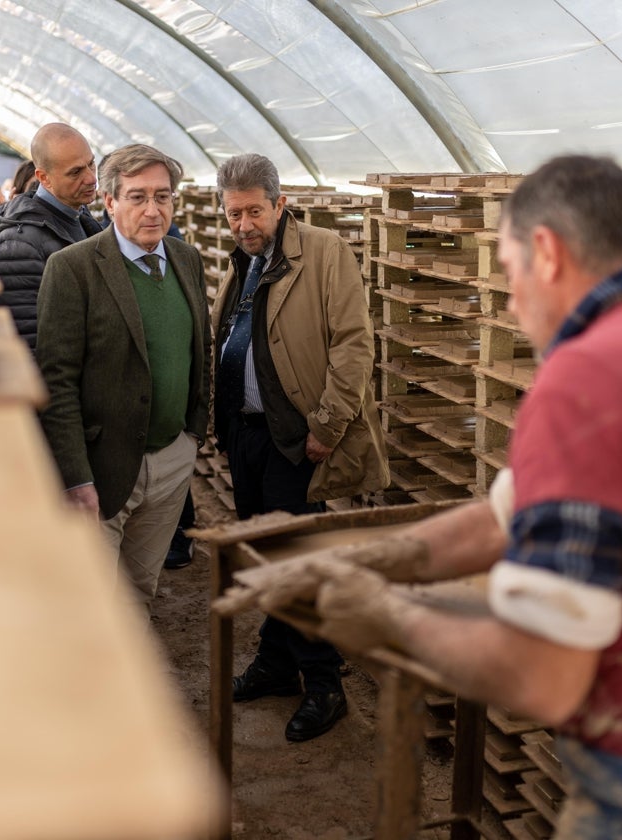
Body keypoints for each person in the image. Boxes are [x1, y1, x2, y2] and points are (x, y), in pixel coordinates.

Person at [217, 155, 622, 837]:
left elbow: (543, 676)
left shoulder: (589, 382)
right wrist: (380, 558)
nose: (512, 298)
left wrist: (389, 618)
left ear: (547, 253)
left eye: (509, 268)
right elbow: (508, 516)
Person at [210, 153, 389, 742]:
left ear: (279, 204)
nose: (243, 223)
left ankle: (324, 683)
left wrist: (327, 425)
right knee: (268, 554)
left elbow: (353, 344)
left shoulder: (323, 252)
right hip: (248, 433)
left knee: (297, 558)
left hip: (297, 436)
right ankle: (278, 661)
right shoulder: (245, 262)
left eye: (254, 211)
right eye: (234, 213)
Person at [36, 144, 210, 611]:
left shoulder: (186, 260)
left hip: (172, 459)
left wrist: (192, 435)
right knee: (91, 601)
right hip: (104, 466)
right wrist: (75, 477)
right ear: (109, 202)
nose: (153, 210)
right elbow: (57, 380)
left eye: (163, 196)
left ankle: (133, 678)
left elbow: (199, 350)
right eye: (137, 197)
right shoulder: (73, 268)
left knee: (138, 588)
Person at [0, 123, 104, 349]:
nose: (91, 178)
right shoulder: (18, 244)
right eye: (76, 172)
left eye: (91, 163)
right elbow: (26, 344)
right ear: (44, 177)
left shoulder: (79, 219)